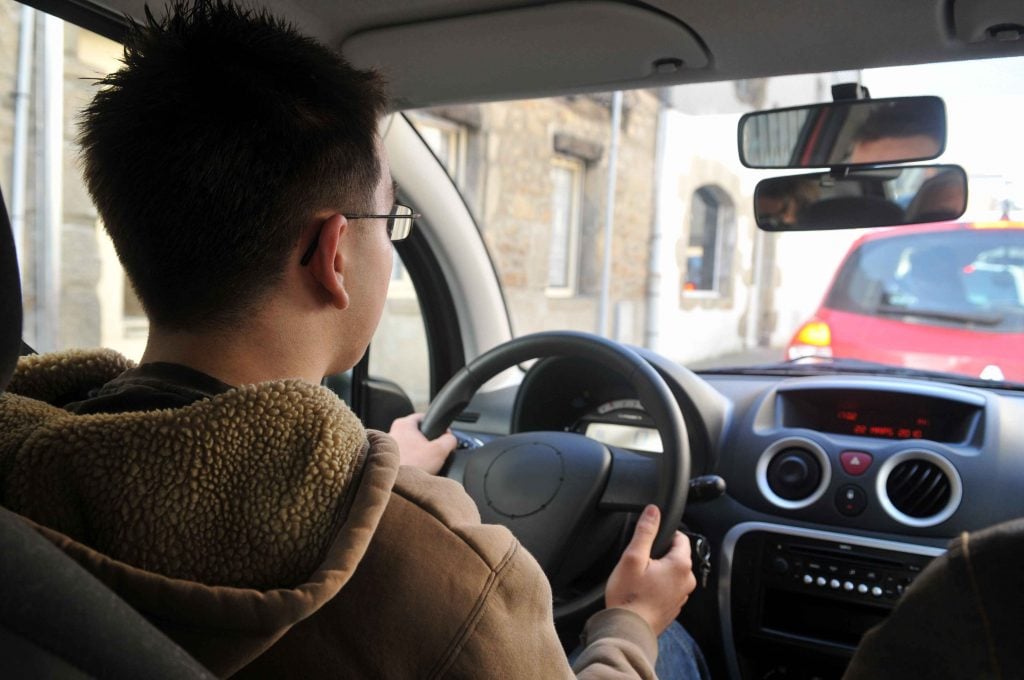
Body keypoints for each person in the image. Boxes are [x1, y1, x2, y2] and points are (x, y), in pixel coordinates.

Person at [0, 1, 704, 678]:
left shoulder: (29, 471)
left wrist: (385, 483)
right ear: (332, 255)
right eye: (388, 221)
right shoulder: (449, 577)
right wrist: (631, 625)